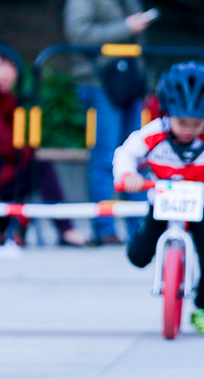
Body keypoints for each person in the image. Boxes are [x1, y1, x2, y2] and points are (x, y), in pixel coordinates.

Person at [114, 62, 204, 335]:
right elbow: (126, 153)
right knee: (137, 256)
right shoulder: (154, 133)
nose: (188, 129)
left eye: (196, 123)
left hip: (199, 204)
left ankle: (201, 308)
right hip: (160, 204)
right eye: (181, 122)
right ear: (167, 114)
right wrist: (129, 175)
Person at [64, 0, 151, 245]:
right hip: (99, 81)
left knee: (136, 156)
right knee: (105, 157)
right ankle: (104, 228)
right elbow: (79, 34)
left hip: (129, 79)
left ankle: (140, 229)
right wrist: (126, 26)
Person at [0, 55, 88, 247]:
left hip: (10, 174)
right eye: (0, 65)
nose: (5, 73)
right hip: (6, 173)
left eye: (10, 66)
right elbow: (7, 145)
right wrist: (27, 153)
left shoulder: (13, 102)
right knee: (39, 167)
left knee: (37, 167)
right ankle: (66, 230)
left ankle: (20, 229)